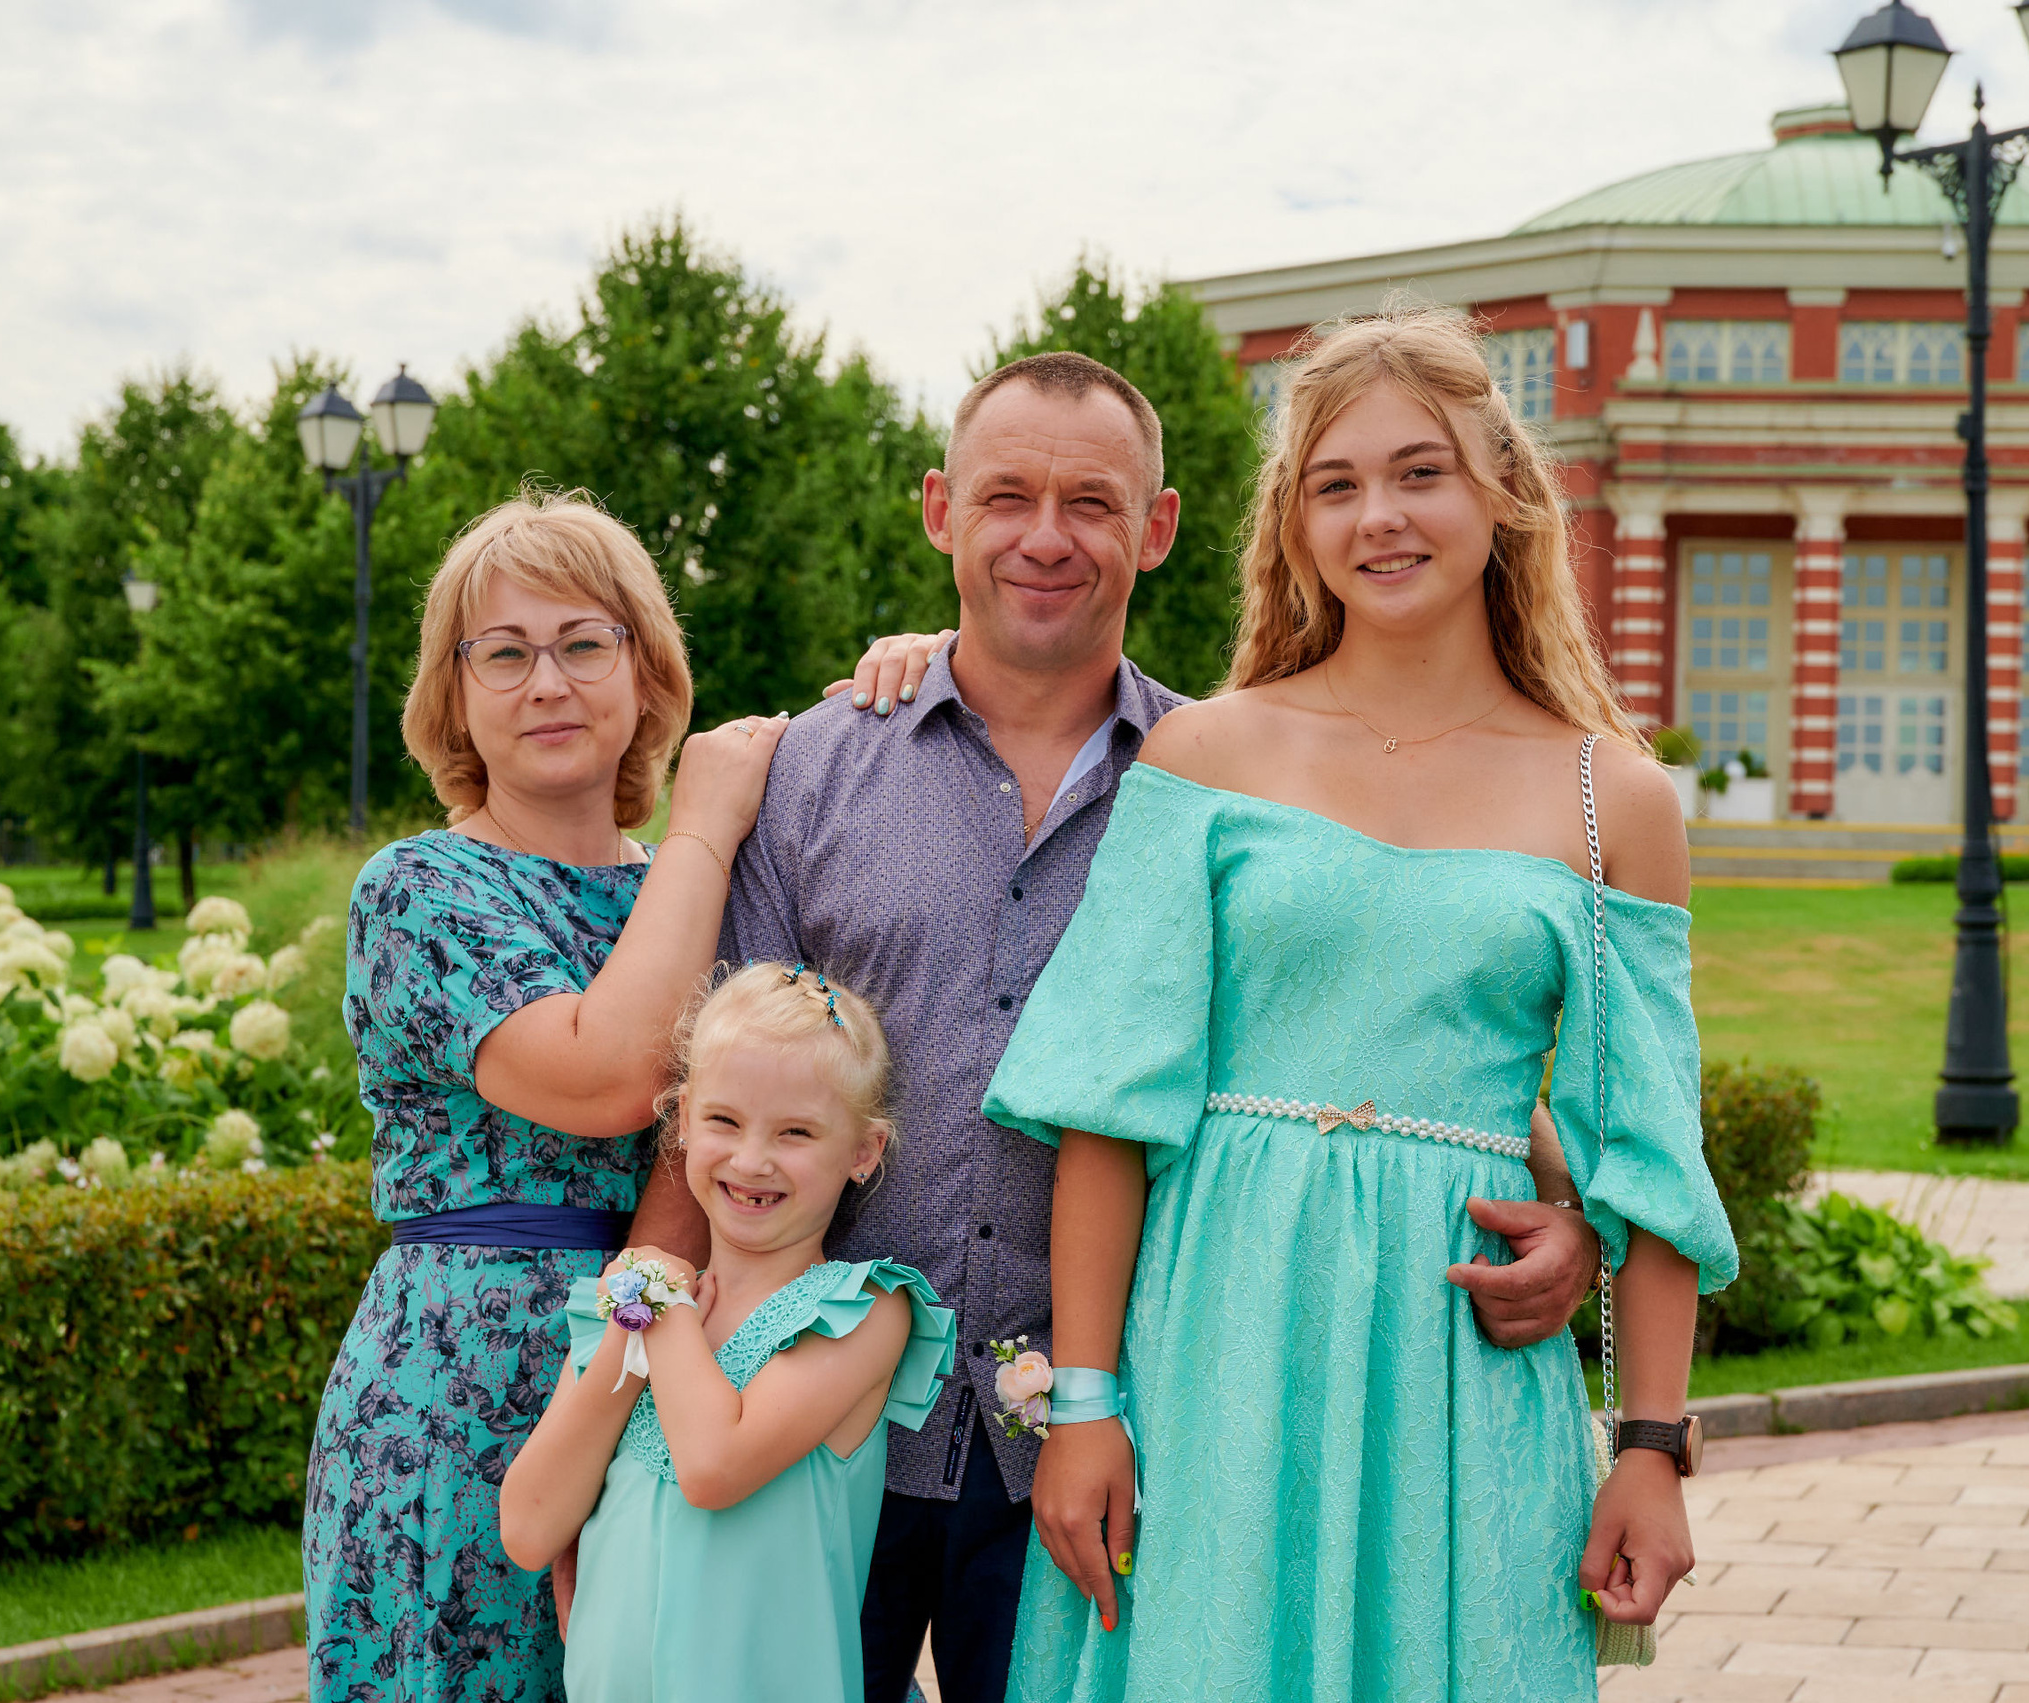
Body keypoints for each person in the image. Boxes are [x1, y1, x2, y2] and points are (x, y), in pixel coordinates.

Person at [719, 351, 1606, 1703]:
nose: (1046, 536)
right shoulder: (818, 767)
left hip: (1120, 1427)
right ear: (940, 509)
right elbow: (708, 1091)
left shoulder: (1240, 779)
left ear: (1160, 528)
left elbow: (1389, 1016)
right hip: (813, 1420)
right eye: (1006, 495)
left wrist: (1564, 1207)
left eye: (1092, 500)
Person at [984, 306, 1741, 1702]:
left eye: (1420, 472)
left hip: (1459, 1375)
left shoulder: (1610, 798)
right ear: (1295, 525)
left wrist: (1651, 1442)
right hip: (1216, 1333)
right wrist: (1085, 1403)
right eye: (1336, 485)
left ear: (1502, 494)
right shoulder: (1210, 754)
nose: (1378, 516)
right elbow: (1108, 1108)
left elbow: (1648, 1155)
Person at [302, 492, 937, 1703]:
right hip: (474, 1382)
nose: (548, 680)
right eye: (504, 651)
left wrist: (910, 668)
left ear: (647, 674)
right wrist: (702, 823)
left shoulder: (696, 878)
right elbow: (609, 1077)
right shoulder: (420, 889)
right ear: (456, 694)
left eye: (585, 643)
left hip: (713, 1352)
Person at [498, 964, 955, 1702]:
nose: (751, 1159)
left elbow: (712, 1465)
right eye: (723, 1120)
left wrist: (662, 1302)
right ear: (681, 1118)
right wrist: (628, 1332)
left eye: (796, 1131)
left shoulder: (863, 1309)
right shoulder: (622, 1311)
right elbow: (528, 1525)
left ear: (863, 1151)